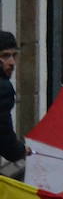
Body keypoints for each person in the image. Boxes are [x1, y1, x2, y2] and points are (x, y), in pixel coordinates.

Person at [0, 29, 23, 165]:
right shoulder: (3, 88)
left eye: (14, 55)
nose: (12, 62)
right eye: (5, 56)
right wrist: (21, 150)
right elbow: (4, 137)